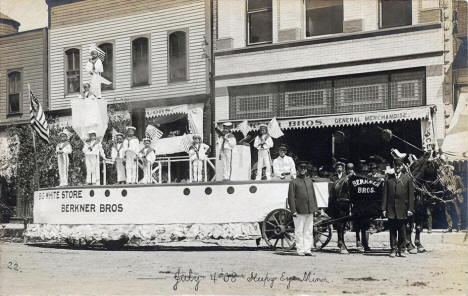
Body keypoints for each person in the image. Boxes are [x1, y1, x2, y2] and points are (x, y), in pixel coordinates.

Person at [382, 152, 415, 258]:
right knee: (392, 230)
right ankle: (393, 249)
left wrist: (410, 208)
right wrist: (383, 208)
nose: (397, 167)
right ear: (394, 166)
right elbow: (385, 195)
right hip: (391, 209)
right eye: (396, 165)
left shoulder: (407, 178)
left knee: (402, 230)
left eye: (399, 165)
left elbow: (411, 196)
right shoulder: (389, 179)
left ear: (402, 167)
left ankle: (402, 249)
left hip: (403, 209)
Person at [288, 161, 319, 256]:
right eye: (301, 168)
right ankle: (300, 250)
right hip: (299, 211)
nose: (303, 170)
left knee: (309, 231)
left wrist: (315, 209)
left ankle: (307, 249)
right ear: (298, 170)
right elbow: (291, 197)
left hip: (309, 210)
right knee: (299, 231)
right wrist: (293, 210)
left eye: (304, 169)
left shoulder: (309, 181)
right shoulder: (294, 182)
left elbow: (313, 196)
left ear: (306, 170)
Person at [328, 161, 350, 254]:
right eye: (338, 167)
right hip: (336, 201)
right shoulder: (333, 177)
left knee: (342, 223)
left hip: (344, 202)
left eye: (341, 167)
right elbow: (331, 189)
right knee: (339, 223)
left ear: (343, 168)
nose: (339, 168)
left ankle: (340, 241)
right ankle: (340, 242)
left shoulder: (346, 177)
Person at [442, 165, 465, 232]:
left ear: (451, 170)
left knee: (457, 212)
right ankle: (450, 227)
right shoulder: (444, 179)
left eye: (447, 170)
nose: (446, 171)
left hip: (455, 197)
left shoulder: (457, 178)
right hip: (447, 198)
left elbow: (463, 188)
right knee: (448, 212)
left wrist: (457, 191)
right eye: (445, 170)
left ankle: (459, 226)